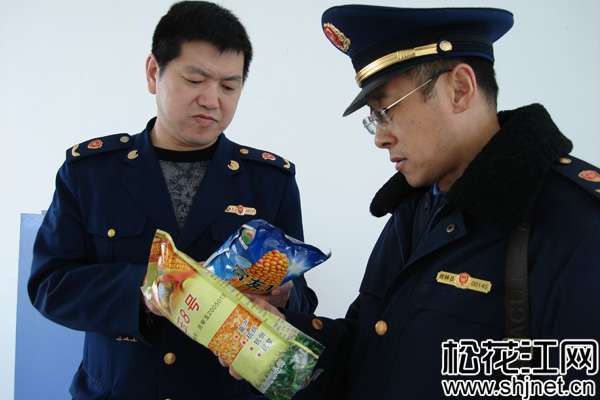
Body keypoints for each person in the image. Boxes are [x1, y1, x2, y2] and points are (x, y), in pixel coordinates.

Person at [223, 5, 600, 399]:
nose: (379, 138)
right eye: (374, 119)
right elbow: (371, 351)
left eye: (386, 111)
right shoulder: (417, 207)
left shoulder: (574, 224)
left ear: (460, 89)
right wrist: (278, 338)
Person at [27, 2, 317, 399]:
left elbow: (302, 299)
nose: (212, 100)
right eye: (195, 79)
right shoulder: (91, 173)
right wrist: (151, 289)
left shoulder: (269, 181)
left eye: (229, 87)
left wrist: (285, 296)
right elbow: (50, 285)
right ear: (154, 73)